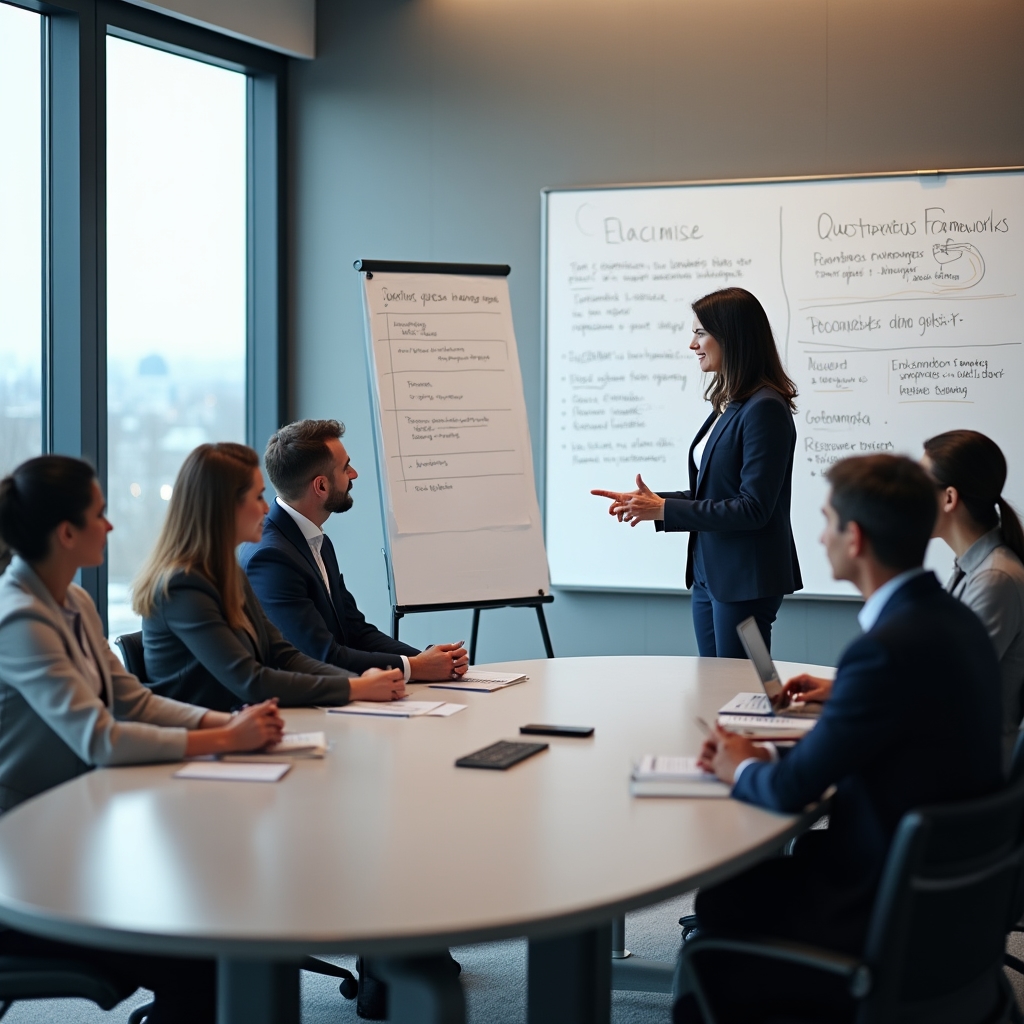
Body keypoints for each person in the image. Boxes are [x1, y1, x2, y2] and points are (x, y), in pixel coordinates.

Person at [677, 454, 1002, 1024]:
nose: (819, 533)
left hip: (879, 909)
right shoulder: (953, 622)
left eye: (825, 519)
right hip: (949, 908)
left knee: (725, 898)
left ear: (853, 538)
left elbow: (789, 792)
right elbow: (893, 733)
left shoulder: (885, 649)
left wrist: (744, 764)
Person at [0, 454, 286, 1024]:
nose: (110, 526)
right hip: (25, 858)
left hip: (79, 828)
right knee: (201, 955)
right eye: (100, 514)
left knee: (212, 928)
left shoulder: (74, 601)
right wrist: (224, 739)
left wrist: (221, 727)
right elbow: (100, 740)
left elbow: (133, 698)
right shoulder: (19, 620)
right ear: (66, 533)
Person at [592, 287, 801, 658]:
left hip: (744, 582)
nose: (693, 344)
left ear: (732, 336)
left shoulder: (765, 408)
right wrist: (653, 502)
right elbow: (715, 494)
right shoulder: (733, 403)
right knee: (714, 688)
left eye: (700, 333)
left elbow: (753, 508)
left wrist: (664, 511)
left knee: (747, 693)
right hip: (711, 574)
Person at [135, 442, 406, 712]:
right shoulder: (182, 585)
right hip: (200, 743)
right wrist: (355, 687)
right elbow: (250, 680)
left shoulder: (227, 574)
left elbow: (284, 655)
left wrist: (357, 682)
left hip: (240, 728)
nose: (266, 508)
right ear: (224, 507)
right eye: (257, 497)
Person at [240, 419, 468, 682]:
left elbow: (354, 630)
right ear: (321, 486)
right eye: (345, 467)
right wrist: (415, 667)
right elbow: (321, 655)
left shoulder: (315, 539)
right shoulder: (270, 558)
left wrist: (427, 660)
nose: (354, 474)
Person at [923, 429, 1024, 769]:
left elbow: (947, 686)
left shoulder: (995, 578)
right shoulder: (974, 567)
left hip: (967, 767)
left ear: (949, 498)